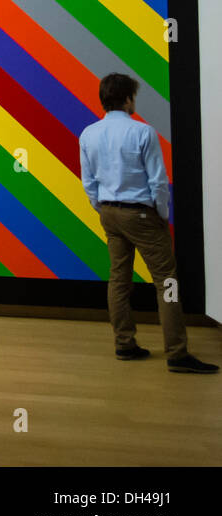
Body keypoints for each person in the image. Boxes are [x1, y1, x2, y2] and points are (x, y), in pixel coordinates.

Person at [78, 73, 217, 373]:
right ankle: (177, 352)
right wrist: (162, 215)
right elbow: (158, 181)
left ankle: (124, 344)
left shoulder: (88, 134)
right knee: (166, 280)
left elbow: (88, 182)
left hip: (109, 213)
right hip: (141, 214)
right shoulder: (143, 132)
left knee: (118, 279)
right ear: (128, 99)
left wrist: (101, 206)